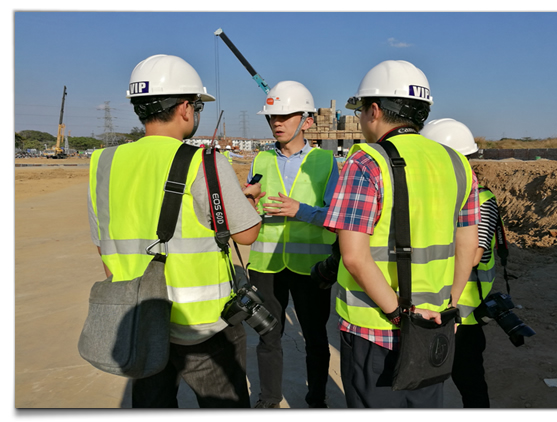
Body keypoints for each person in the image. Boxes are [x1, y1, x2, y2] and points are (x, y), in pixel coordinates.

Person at [87, 54, 263, 408]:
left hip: (140, 320)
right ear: (184, 107)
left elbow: (104, 245)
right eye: (197, 106)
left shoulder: (103, 163)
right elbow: (246, 234)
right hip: (202, 326)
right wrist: (249, 201)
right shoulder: (205, 161)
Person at [323, 60, 480, 408]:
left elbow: (354, 256)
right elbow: (469, 248)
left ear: (375, 110)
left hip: (374, 328)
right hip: (435, 326)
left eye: (361, 111)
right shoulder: (458, 164)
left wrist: (398, 314)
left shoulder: (366, 162)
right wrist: (450, 307)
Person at [246, 80, 339, 408]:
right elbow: (250, 211)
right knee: (268, 336)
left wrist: (301, 210)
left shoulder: (326, 162)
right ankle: (268, 400)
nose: (277, 122)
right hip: (266, 265)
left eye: (285, 116)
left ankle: (317, 399)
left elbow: (336, 216)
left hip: (311, 267)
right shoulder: (260, 160)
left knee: (315, 338)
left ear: (307, 121)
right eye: (273, 116)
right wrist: (247, 202)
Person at [421, 118, 498, 408]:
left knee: (469, 381)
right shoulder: (437, 198)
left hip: (464, 312)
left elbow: (475, 254)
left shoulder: (482, 199)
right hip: (432, 305)